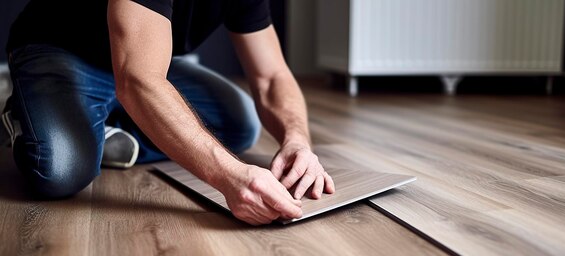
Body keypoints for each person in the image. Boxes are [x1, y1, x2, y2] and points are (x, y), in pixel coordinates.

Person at [2, 0, 335, 225]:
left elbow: (272, 76)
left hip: (143, 60)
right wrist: (231, 177)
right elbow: (137, 79)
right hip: (61, 49)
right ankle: (20, 113)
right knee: (59, 169)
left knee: (239, 125)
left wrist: (297, 141)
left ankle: (101, 127)